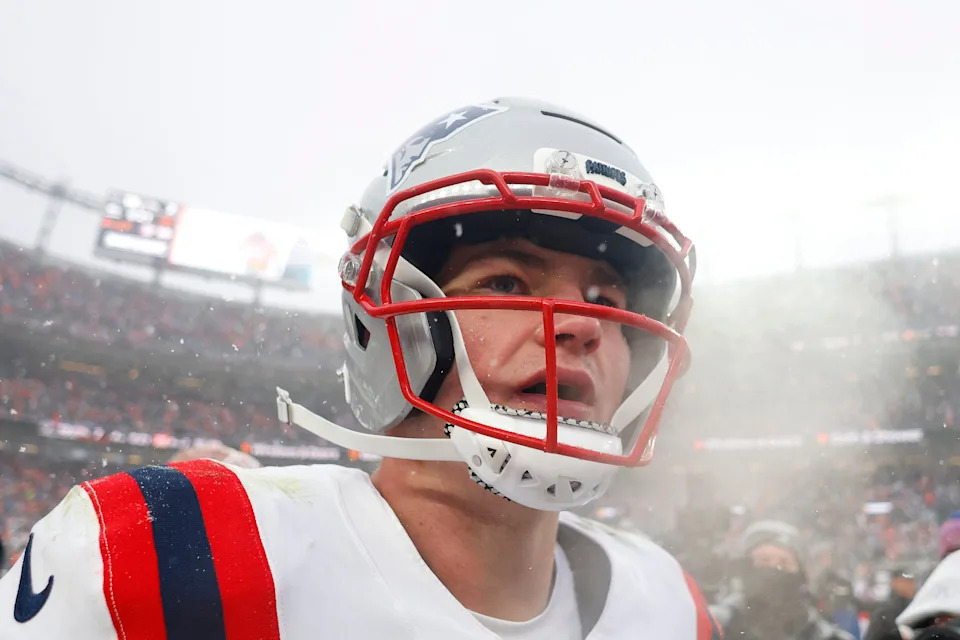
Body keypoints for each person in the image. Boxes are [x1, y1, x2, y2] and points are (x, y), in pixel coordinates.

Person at [0, 97, 718, 639]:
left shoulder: (671, 607)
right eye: (505, 282)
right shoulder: (176, 556)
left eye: (606, 298)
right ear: (390, 320)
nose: (585, 326)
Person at [710, 520, 854, 640]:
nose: (774, 569)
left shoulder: (827, 637)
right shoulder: (715, 626)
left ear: (800, 574)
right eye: (764, 561)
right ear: (746, 566)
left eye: (784, 563)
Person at [864, 569, 917, 640]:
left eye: (912, 582)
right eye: (905, 582)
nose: (911, 586)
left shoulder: (918, 606)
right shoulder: (884, 611)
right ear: (894, 583)